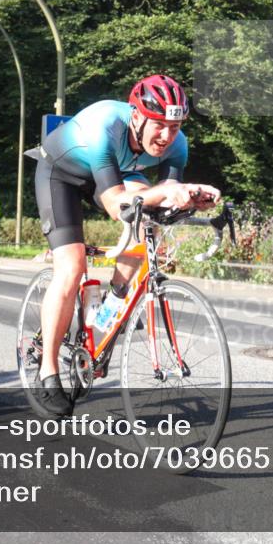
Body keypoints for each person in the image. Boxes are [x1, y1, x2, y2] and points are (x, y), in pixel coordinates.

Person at [33, 74, 220, 416]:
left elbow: (164, 201)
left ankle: (112, 305)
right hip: (61, 175)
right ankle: (48, 370)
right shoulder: (105, 124)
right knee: (72, 266)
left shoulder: (178, 145)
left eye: (175, 127)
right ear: (136, 116)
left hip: (116, 173)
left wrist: (191, 197)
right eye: (158, 125)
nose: (166, 136)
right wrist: (167, 191)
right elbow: (114, 203)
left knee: (148, 221)